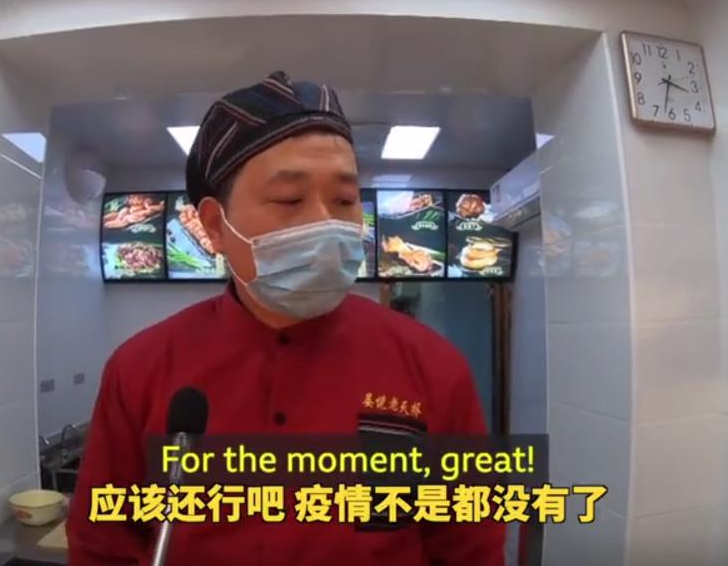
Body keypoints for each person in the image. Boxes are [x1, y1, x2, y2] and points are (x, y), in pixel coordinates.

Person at [67, 71, 504, 565]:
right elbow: (103, 548)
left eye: (344, 200)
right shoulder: (141, 370)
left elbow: (471, 549)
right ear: (214, 226)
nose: (325, 222)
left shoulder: (433, 367)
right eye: (289, 200)